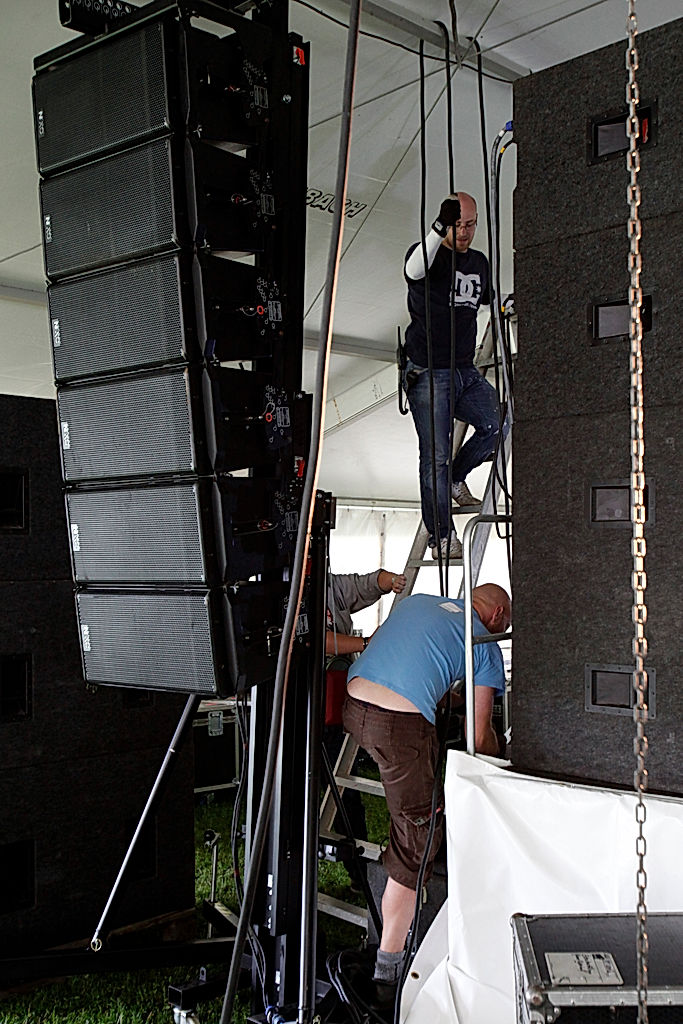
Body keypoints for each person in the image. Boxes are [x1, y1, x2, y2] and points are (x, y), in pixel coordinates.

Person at [340, 583, 510, 1011]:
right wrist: (503, 759)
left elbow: (408, 659)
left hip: (354, 703)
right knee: (418, 841)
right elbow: (479, 736)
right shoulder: (484, 641)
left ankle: (387, 925)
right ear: (499, 614)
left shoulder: (421, 603)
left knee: (409, 819)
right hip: (397, 725)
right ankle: (388, 974)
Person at [403, 192, 504, 561]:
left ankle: (456, 479)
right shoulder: (427, 254)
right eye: (458, 224)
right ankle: (441, 537)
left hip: (463, 369)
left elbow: (490, 298)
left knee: (498, 424)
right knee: (435, 457)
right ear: (446, 223)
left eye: (471, 224)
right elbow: (414, 270)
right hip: (429, 371)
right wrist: (437, 228)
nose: (465, 232)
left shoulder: (478, 261)